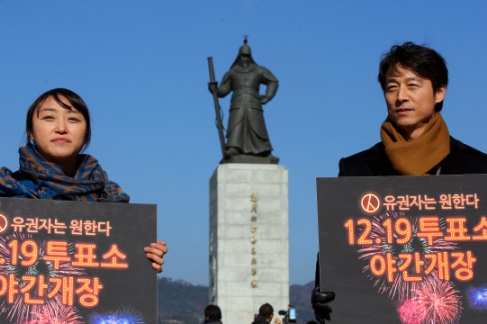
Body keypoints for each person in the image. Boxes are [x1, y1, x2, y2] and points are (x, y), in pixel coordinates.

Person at [311, 42, 487, 323]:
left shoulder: (479, 170)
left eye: (412, 85)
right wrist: (325, 290)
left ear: (439, 92)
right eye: (392, 87)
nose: (401, 96)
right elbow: (337, 246)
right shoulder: (357, 170)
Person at [0, 88, 168, 272]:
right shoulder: (0, 191)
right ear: (31, 132)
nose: (61, 128)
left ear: (86, 135)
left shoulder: (112, 201)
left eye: (73, 119)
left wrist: (144, 262)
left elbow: (117, 280)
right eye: (49, 118)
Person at [209, 38, 279, 158]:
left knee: (257, 126)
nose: (245, 59)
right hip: (237, 102)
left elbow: (273, 81)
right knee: (236, 125)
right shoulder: (232, 72)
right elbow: (224, 90)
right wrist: (215, 89)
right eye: (243, 56)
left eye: (247, 56)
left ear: (250, 56)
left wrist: (268, 97)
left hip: (253, 102)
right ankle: (234, 148)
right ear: (239, 56)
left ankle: (263, 150)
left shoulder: (258, 70)